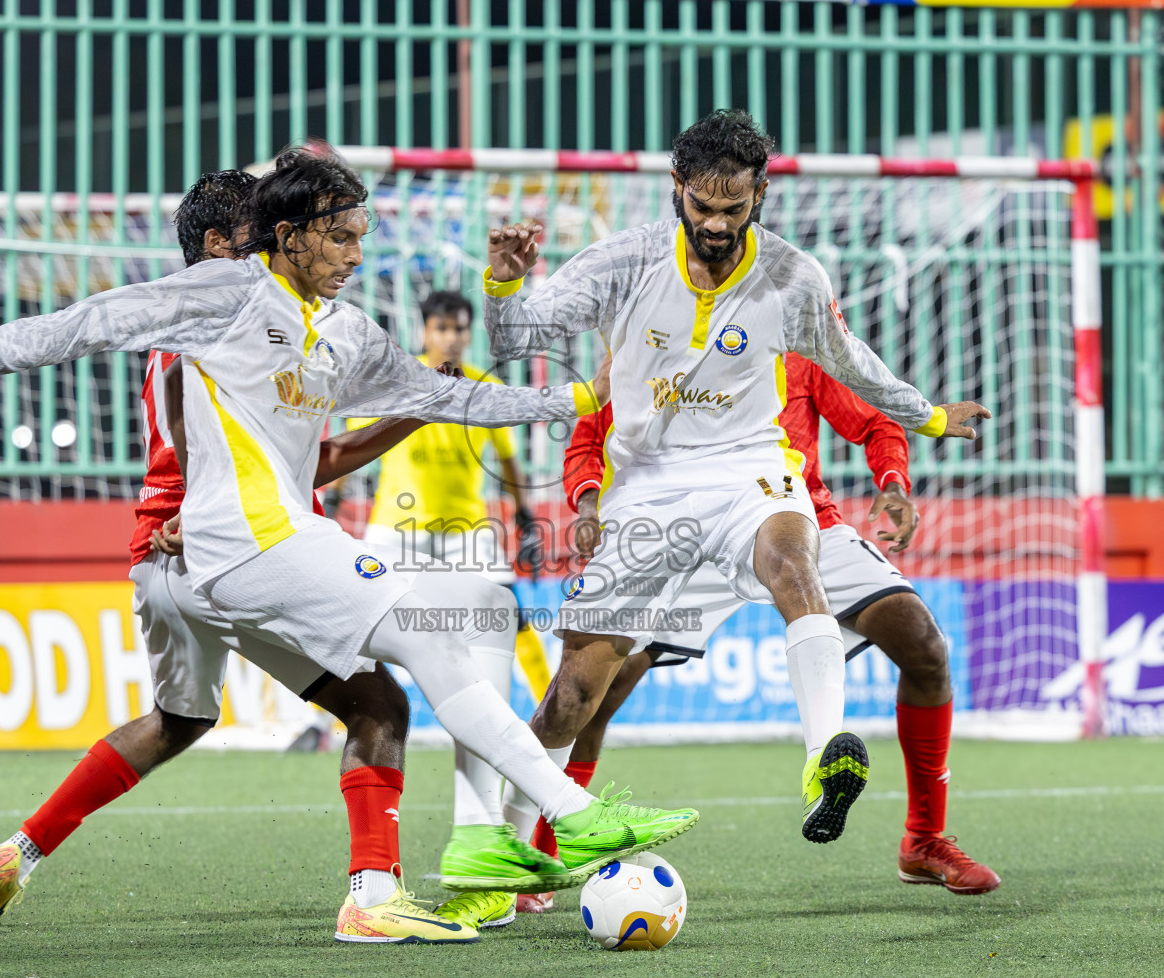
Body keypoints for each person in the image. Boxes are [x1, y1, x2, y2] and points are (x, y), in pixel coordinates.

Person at [0, 148, 700, 930]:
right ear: (284, 236)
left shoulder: (343, 331)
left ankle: (369, 897)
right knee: (433, 629)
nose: (356, 254)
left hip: (208, 556)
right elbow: (97, 319)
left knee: (343, 701)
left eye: (359, 237)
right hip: (239, 542)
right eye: (340, 237)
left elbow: (444, 397)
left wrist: (583, 395)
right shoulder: (222, 293)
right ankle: (557, 821)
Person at [0, 169, 483, 944]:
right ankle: (374, 894)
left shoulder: (199, 326)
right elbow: (258, 460)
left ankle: (15, 855)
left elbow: (302, 454)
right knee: (379, 704)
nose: (283, 242)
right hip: (231, 553)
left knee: (177, 719)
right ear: (215, 246)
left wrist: (408, 413)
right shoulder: (221, 324)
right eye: (264, 232)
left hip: (161, 558)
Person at [480, 110, 988, 853]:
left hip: (750, 467)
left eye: (735, 209)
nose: (717, 225)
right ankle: (512, 847)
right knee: (575, 696)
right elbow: (516, 338)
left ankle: (824, 758)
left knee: (793, 559)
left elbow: (856, 367)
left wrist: (931, 419)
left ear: (762, 193)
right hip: (647, 488)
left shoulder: (792, 277)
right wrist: (502, 283)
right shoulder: (623, 261)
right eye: (703, 207)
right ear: (676, 187)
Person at [516, 353, 1000, 910]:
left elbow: (872, 419)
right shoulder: (653, 339)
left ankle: (923, 839)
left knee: (924, 646)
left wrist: (891, 481)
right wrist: (589, 503)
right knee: (597, 689)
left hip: (793, 518)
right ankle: (541, 849)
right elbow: (586, 442)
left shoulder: (795, 342)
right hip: (682, 528)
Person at [348, 288, 555, 930]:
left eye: (461, 329)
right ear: (425, 328)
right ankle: (334, 717)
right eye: (442, 326)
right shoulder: (400, 377)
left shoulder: (479, 391)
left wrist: (522, 515)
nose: (452, 337)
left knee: (504, 634)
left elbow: (509, 459)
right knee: (350, 638)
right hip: (398, 534)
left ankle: (536, 723)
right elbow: (352, 435)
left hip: (468, 534)